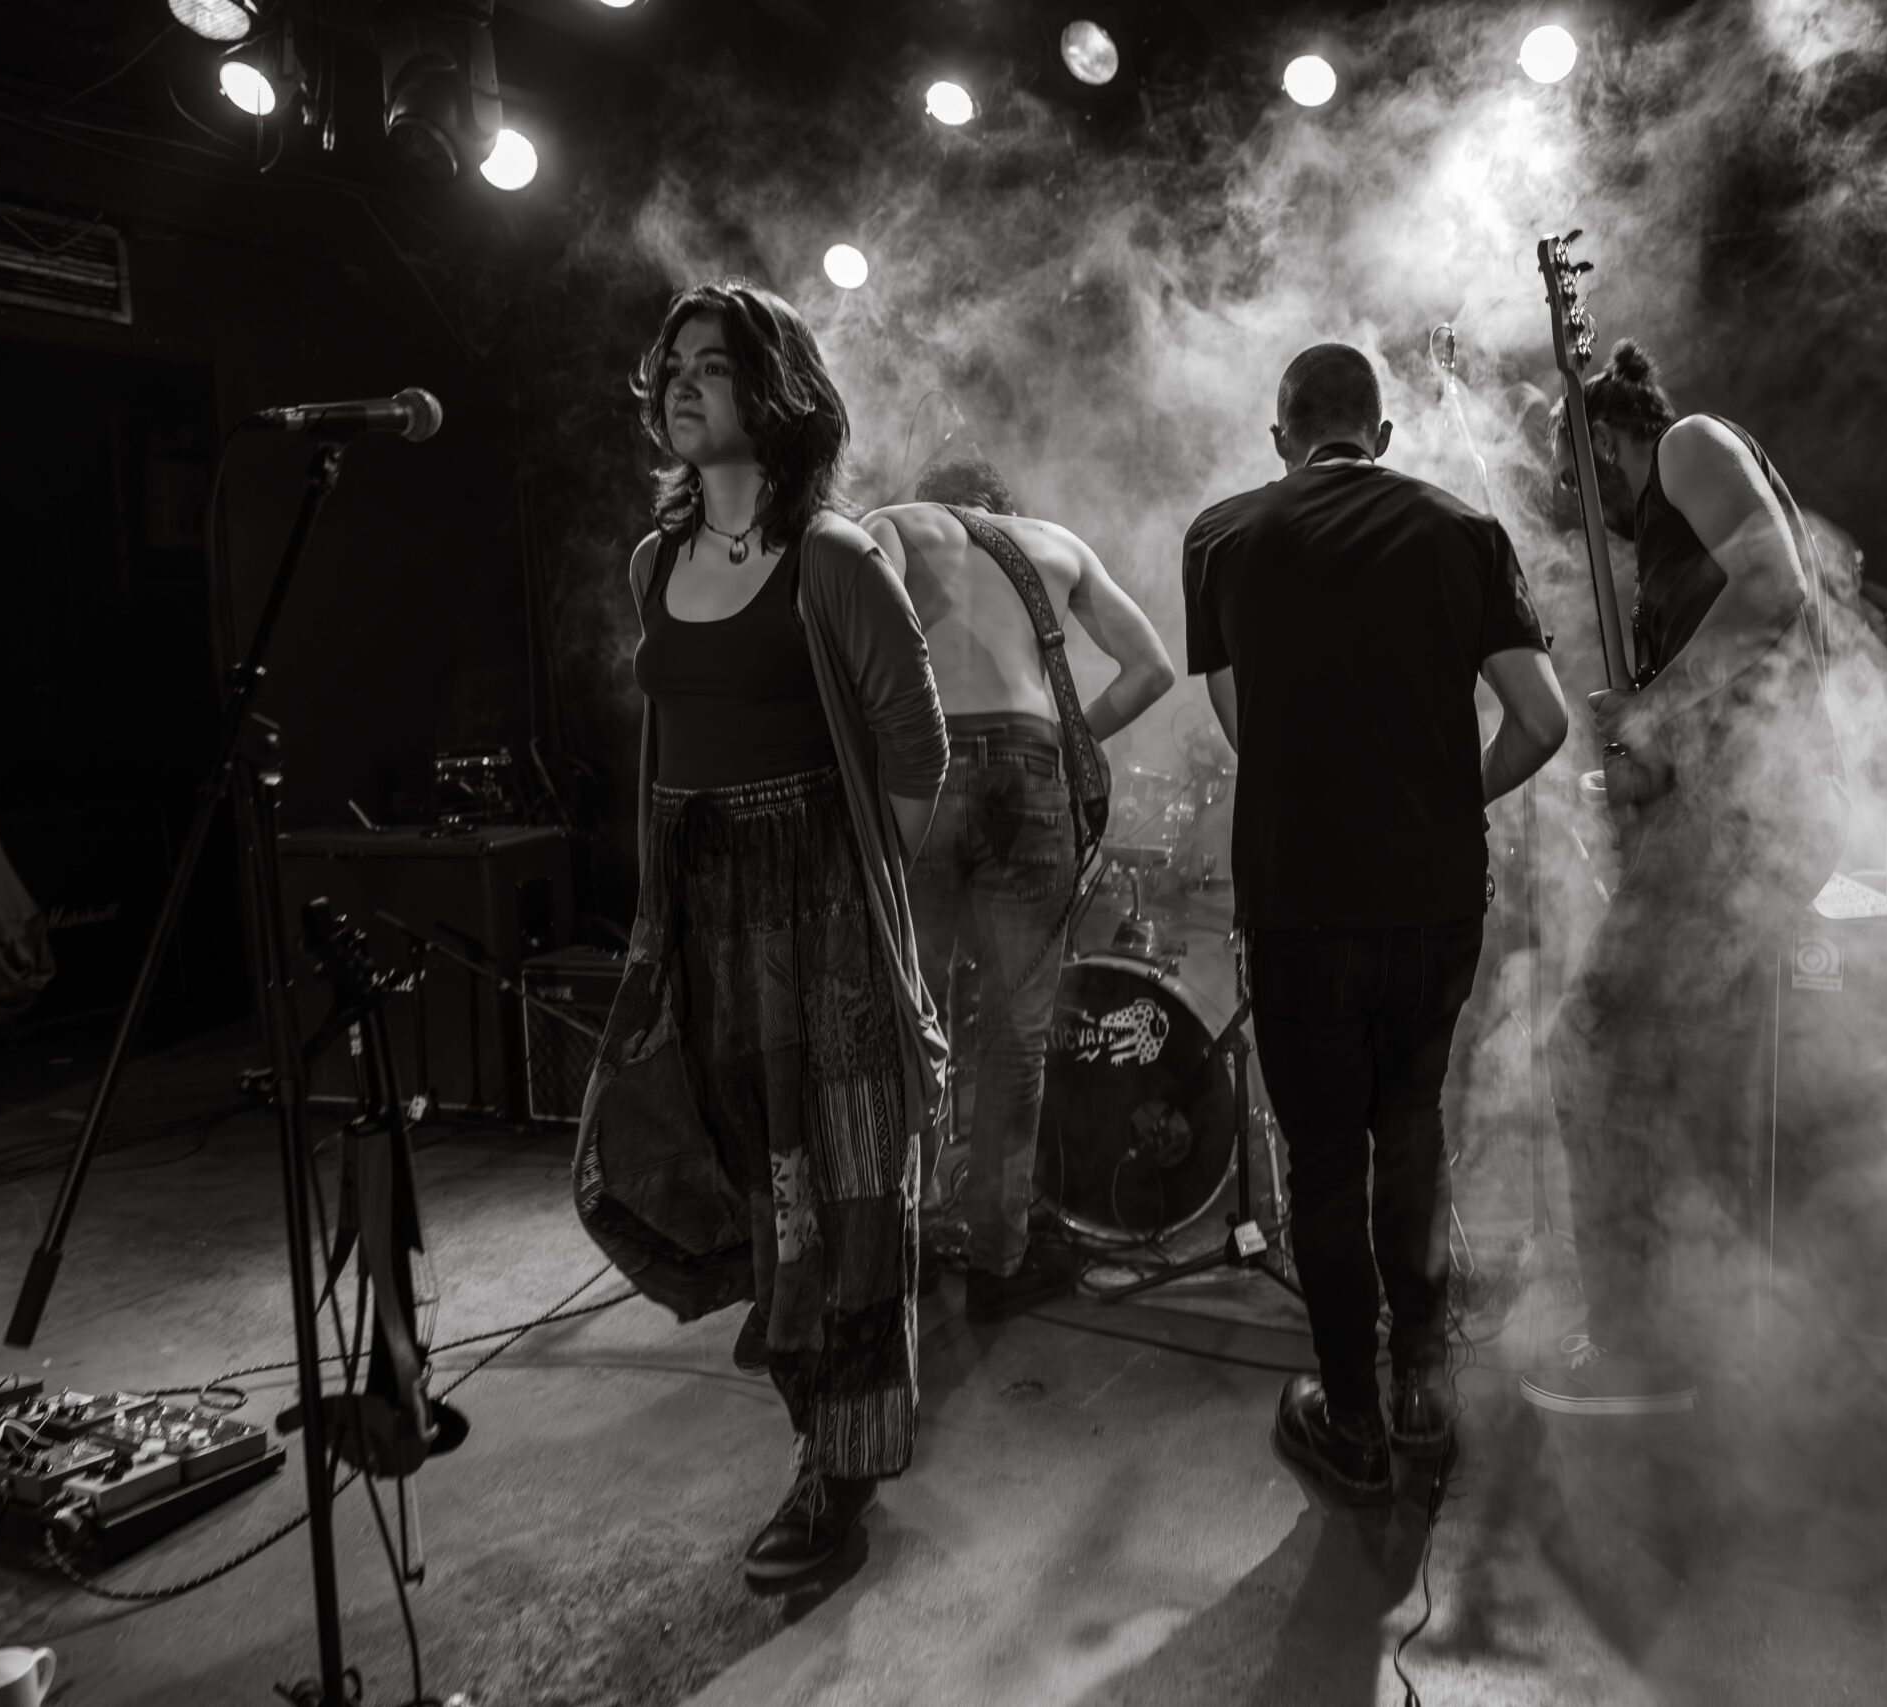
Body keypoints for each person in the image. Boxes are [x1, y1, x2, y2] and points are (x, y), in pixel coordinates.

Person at [570, 279, 950, 1582]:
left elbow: (917, 748)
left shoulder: (833, 559)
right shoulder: (653, 562)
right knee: (747, 1181)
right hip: (700, 915)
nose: (682, 383)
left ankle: (837, 1469)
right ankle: (808, 1395)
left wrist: (849, 889)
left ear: (774, 392)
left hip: (818, 914)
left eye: (713, 365)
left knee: (846, 1199)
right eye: (671, 364)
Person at [1180, 344, 1571, 1502]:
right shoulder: (1465, 533)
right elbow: (1543, 723)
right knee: (1410, 1133)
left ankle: (1348, 1419)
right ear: (1384, 435)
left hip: (1299, 903)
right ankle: (1423, 1396)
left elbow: (1247, 727)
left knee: (1320, 1168)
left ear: (1281, 438)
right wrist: (1448, 799)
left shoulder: (1220, 536)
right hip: (1431, 903)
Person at [1520, 339, 1847, 1418]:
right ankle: (1695, 1331)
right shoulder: (1663, 531)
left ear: (1608, 436)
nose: (1581, 505)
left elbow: (1775, 588)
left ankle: (1633, 1346)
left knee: (1593, 1040)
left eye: (1577, 474)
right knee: (1663, 1066)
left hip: (1757, 814)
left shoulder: (1688, 445)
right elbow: (1716, 692)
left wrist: (1654, 708)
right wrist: (1639, 770)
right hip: (1739, 810)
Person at [864, 457, 1177, 1321]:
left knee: (908, 1018)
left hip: (924, 775)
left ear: (935, 499)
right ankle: (998, 1261)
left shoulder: (898, 522)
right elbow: (1151, 668)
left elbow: (860, 645)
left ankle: (906, 1238)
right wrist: (1071, 740)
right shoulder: (1054, 543)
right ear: (1003, 509)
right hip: (1033, 771)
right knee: (1014, 1035)